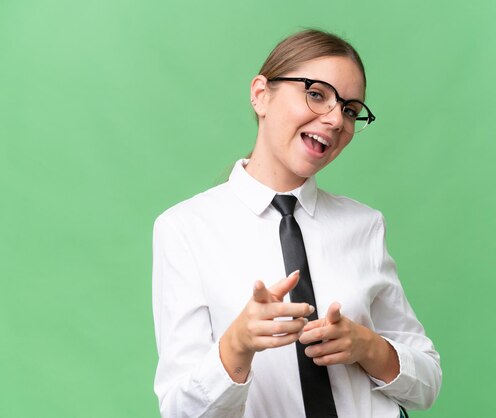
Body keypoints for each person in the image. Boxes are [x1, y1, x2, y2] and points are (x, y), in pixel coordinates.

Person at [152, 29, 442, 418]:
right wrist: (237, 345)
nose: (337, 119)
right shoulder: (185, 229)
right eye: (317, 93)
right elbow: (179, 411)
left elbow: (427, 383)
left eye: (351, 109)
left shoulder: (365, 225)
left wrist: (366, 346)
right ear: (260, 95)